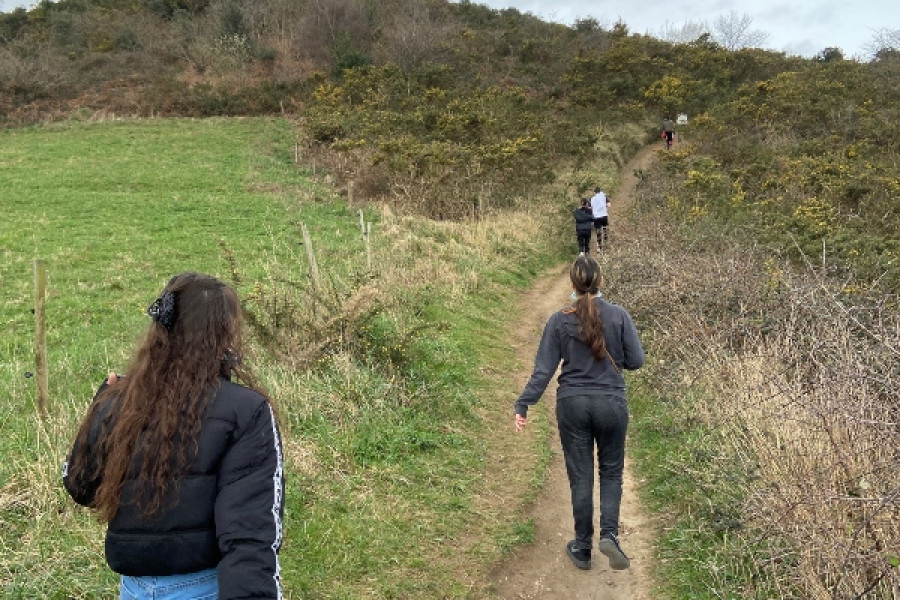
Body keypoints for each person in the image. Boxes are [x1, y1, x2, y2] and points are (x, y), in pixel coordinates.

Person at [63, 272, 284, 600]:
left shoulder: (119, 402)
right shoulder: (246, 411)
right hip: (204, 588)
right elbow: (250, 533)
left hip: (134, 589)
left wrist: (102, 405)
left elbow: (77, 484)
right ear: (224, 335)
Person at [514, 255, 644, 572]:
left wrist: (524, 404)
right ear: (601, 281)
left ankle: (583, 547)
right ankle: (610, 534)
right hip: (611, 403)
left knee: (581, 476)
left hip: (572, 404)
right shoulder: (619, 316)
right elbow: (636, 361)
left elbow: (543, 370)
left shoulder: (560, 320)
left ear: (572, 284)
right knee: (611, 472)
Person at [589, 187, 610, 253]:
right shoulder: (604, 196)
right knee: (605, 229)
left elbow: (590, 208)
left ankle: (599, 248)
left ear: (594, 192)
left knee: (598, 232)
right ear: (600, 191)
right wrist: (604, 206)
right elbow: (609, 205)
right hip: (604, 216)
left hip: (596, 217)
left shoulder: (592, 199)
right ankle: (606, 243)